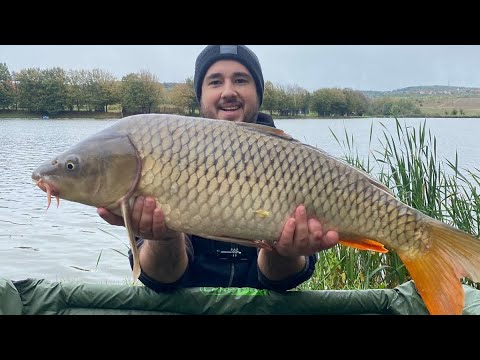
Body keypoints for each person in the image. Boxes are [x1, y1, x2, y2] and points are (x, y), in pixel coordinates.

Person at [97, 45, 340, 292]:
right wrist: (165, 237)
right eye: (215, 82)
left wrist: (284, 252)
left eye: (240, 80)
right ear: (200, 96)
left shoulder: (290, 161)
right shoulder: (171, 153)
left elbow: (279, 281)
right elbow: (164, 278)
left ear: (258, 92)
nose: (228, 92)